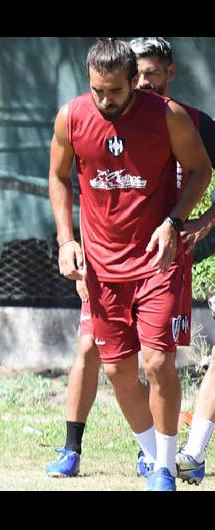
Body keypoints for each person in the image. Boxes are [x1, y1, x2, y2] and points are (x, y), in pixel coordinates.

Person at [45, 37, 215, 481]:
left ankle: (164, 467)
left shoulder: (169, 118)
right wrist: (66, 239)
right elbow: (59, 178)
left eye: (115, 92)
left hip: (158, 261)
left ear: (133, 85)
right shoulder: (72, 117)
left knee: (157, 362)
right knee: (118, 370)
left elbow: (201, 169)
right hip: (102, 269)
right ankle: (151, 453)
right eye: (97, 91)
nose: (105, 101)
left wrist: (176, 222)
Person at [127, 37, 215, 487]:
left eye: (152, 74)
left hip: (183, 257)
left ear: (171, 73)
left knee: (160, 360)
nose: (144, 83)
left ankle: (179, 457)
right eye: (136, 75)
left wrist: (205, 218)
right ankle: (164, 453)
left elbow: (202, 173)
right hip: (131, 263)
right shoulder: (116, 123)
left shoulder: (194, 123)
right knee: (126, 362)